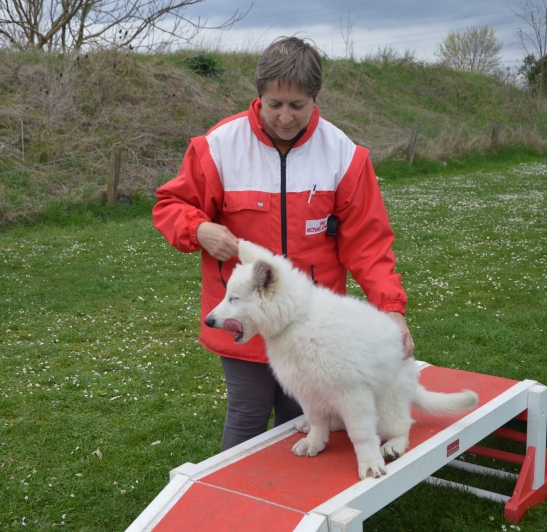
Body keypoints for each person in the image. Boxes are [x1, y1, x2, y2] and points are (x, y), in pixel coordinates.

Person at [152, 37, 414, 451]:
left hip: (313, 332)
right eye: (275, 105)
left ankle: (305, 513)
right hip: (241, 320)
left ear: (316, 98)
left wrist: (392, 310)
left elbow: (369, 244)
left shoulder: (344, 156)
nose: (286, 117)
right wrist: (198, 229)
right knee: (247, 414)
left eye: (298, 106)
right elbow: (170, 205)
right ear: (259, 96)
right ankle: (237, 509)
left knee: (310, 421)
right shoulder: (218, 146)